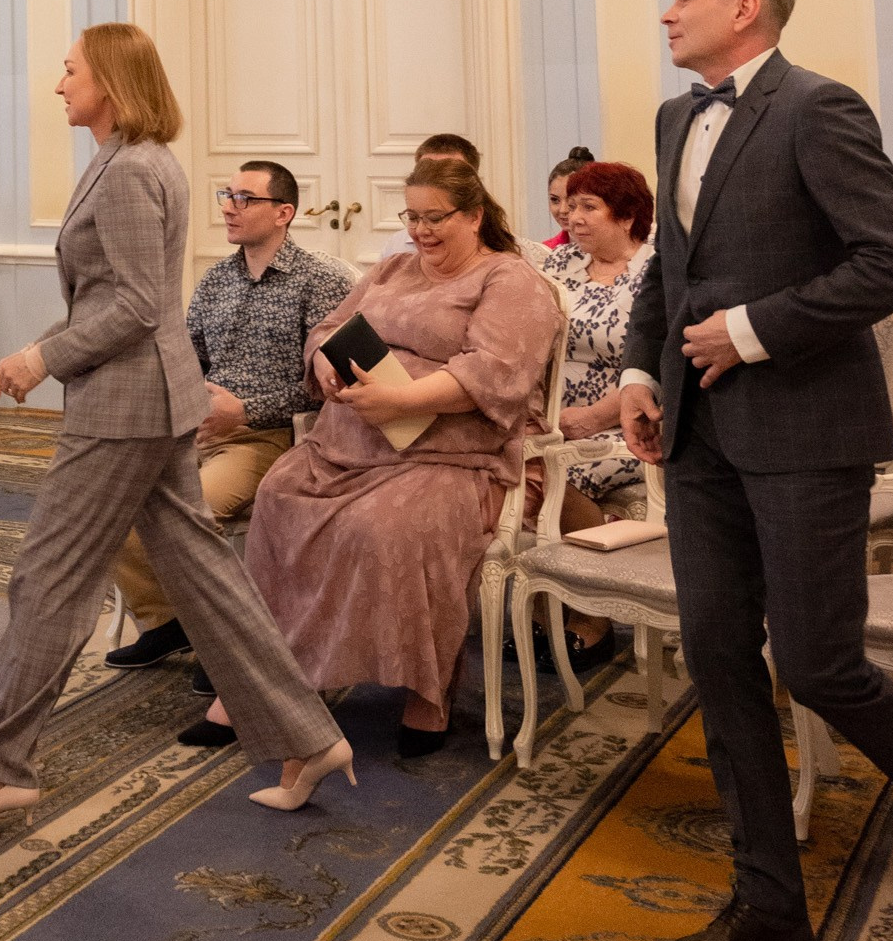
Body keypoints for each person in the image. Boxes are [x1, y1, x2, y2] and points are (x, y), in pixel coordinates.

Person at [0, 25, 346, 832]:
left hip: (126, 407)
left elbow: (136, 307)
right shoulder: (137, 161)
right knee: (207, 579)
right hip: (154, 399)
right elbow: (120, 299)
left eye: (70, 70)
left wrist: (41, 357)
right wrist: (50, 348)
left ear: (110, 82)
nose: (59, 84)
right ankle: (308, 736)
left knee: (48, 578)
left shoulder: (128, 171)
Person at [619, 0, 893, 941]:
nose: (665, 14)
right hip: (698, 438)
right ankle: (768, 905)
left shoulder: (818, 108)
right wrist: (643, 371)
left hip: (804, 434)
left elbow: (887, 258)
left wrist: (750, 331)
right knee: (720, 658)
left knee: (819, 665)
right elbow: (670, 267)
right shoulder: (672, 118)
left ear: (744, 7)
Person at [242, 154, 561, 755]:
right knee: (278, 497)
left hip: (453, 456)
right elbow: (328, 327)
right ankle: (279, 675)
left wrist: (404, 399)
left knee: (387, 527)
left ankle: (427, 691)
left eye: (435, 218)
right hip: (348, 446)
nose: (420, 231)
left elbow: (494, 372)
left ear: (474, 216)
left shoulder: (509, 280)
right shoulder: (393, 268)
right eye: (411, 217)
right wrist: (325, 362)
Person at [106, 159, 352, 667]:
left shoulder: (319, 281)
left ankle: (227, 643)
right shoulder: (216, 279)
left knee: (190, 513)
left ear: (283, 212)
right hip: (199, 429)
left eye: (244, 198)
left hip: (271, 436)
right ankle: (168, 622)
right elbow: (188, 359)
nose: (228, 208)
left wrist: (246, 411)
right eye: (227, 195)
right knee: (110, 503)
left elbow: (330, 389)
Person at [554, 161, 656, 505]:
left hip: (627, 426)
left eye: (588, 207)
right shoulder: (560, 262)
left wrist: (592, 418)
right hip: (551, 421)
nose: (573, 218)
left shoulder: (656, 272)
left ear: (627, 216)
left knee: (557, 474)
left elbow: (663, 360)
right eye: (571, 207)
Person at [544, 148, 596, 248]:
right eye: (555, 200)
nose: (563, 210)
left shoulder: (620, 249)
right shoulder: (545, 251)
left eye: (571, 202)